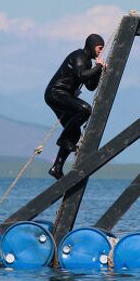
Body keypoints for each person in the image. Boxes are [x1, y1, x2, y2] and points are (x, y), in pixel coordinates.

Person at [45, 34, 107, 179]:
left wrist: (99, 70)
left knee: (75, 134)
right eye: (99, 48)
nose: (100, 52)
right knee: (85, 109)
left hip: (63, 96)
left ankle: (56, 168)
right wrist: (98, 66)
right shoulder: (78, 56)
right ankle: (63, 139)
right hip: (56, 93)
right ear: (92, 46)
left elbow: (90, 86)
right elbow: (82, 76)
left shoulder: (88, 63)